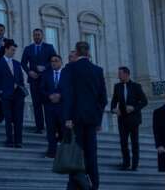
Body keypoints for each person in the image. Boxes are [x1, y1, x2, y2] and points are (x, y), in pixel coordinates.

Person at [61, 40, 107, 190]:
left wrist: (67, 117)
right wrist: (98, 119)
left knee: (75, 155)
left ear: (77, 52)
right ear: (88, 52)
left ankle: (75, 186)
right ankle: (94, 186)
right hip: (92, 120)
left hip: (75, 119)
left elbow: (68, 95)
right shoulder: (98, 70)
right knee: (91, 156)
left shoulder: (70, 68)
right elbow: (103, 99)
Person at [110, 66, 148, 171]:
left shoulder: (136, 86)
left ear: (126, 74)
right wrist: (114, 109)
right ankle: (126, 163)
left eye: (120, 74)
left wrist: (134, 108)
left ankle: (135, 164)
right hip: (122, 119)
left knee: (134, 142)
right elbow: (114, 101)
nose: (118, 76)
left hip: (134, 119)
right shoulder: (117, 86)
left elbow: (144, 101)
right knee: (123, 142)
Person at [21, 29, 56, 134]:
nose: (36, 37)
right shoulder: (28, 49)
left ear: (42, 36)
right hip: (34, 80)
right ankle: (39, 126)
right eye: (35, 35)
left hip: (46, 81)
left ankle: (50, 126)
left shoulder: (49, 48)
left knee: (47, 103)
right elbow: (23, 63)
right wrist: (29, 72)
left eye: (38, 35)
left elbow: (54, 60)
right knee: (36, 104)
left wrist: (45, 67)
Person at [0, 40, 26, 148]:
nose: (13, 52)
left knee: (18, 119)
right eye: (12, 50)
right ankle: (9, 140)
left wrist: (20, 88)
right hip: (6, 95)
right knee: (8, 119)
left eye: (14, 50)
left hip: (18, 96)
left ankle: (18, 141)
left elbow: (21, 79)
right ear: (6, 49)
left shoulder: (17, 63)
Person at [40, 54, 66, 159]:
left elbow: (70, 89)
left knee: (64, 130)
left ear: (61, 62)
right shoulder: (46, 75)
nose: (53, 63)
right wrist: (49, 96)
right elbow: (42, 89)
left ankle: (65, 152)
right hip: (49, 107)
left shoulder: (66, 74)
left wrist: (60, 95)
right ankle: (52, 152)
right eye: (52, 61)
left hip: (62, 107)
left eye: (56, 61)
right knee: (50, 130)